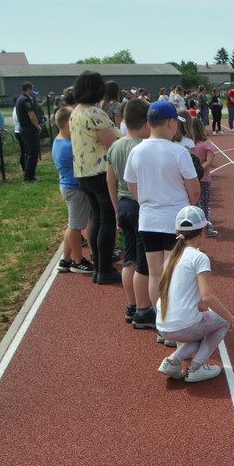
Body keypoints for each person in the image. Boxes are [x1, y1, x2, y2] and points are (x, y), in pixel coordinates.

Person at [124, 100, 201, 345]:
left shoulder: (136, 150)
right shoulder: (179, 152)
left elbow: (131, 184)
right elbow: (195, 190)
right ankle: (174, 325)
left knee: (155, 273)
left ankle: (161, 324)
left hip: (148, 220)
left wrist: (147, 202)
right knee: (175, 273)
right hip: (174, 220)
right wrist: (191, 210)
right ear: (170, 124)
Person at [155, 205, 234, 382]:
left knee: (199, 330)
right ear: (203, 231)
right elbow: (208, 296)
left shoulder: (171, 258)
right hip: (183, 326)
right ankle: (195, 368)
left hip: (162, 326)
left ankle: (172, 361)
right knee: (222, 322)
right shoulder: (199, 257)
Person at [105, 98, 153, 327]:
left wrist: (115, 208)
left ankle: (132, 304)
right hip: (139, 205)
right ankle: (143, 310)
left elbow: (110, 179)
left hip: (123, 204)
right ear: (147, 123)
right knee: (144, 262)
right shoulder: (143, 147)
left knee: (129, 258)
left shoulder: (115, 146)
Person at [70, 71, 121, 284]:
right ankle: (104, 268)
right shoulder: (95, 113)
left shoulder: (75, 112)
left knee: (98, 219)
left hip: (83, 172)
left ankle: (99, 266)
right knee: (107, 220)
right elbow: (112, 142)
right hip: (101, 172)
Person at [52, 107, 93, 274]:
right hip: (75, 189)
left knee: (72, 224)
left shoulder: (58, 140)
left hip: (67, 186)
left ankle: (66, 258)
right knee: (75, 227)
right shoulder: (70, 146)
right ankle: (77, 260)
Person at [192, 117, 219, 238]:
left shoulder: (191, 144)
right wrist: (200, 170)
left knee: (197, 202)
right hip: (202, 177)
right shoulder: (206, 143)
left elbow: (209, 161)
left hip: (194, 178)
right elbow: (209, 161)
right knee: (203, 202)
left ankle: (200, 226)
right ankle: (206, 227)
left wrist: (194, 171)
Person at [15, 81, 42, 181]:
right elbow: (32, 116)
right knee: (33, 153)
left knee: (27, 152)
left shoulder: (19, 99)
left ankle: (27, 174)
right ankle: (30, 176)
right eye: (32, 88)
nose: (33, 91)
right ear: (28, 89)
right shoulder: (26, 100)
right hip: (29, 129)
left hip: (23, 129)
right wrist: (37, 126)